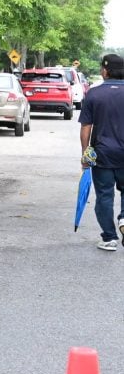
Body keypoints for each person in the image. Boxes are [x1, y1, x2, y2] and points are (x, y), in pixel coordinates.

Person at [79, 53, 124, 251]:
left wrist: (85, 153)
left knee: (105, 195)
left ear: (105, 71)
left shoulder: (94, 94)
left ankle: (109, 238)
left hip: (103, 154)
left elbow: (86, 127)